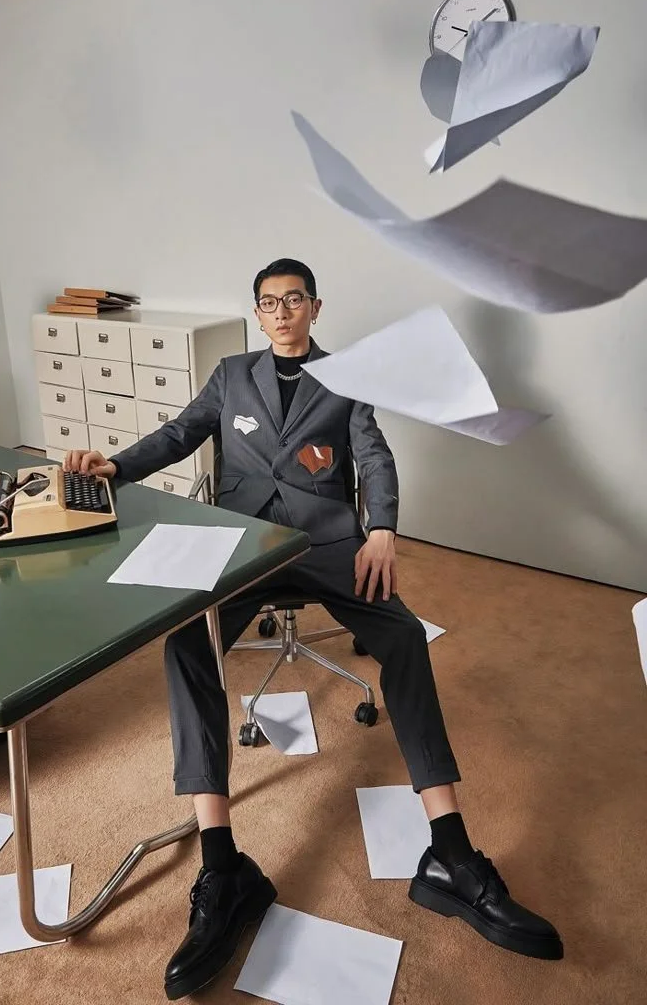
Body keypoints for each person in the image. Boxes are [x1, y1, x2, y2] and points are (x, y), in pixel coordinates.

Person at [65, 258, 563, 999]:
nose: (282, 312)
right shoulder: (232, 375)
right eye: (269, 303)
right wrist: (114, 466)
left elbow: (374, 458)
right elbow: (176, 436)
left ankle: (452, 856)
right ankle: (222, 862)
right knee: (184, 646)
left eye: (294, 300)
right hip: (242, 552)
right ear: (259, 314)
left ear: (315, 307)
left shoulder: (347, 377)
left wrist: (383, 527)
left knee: (401, 637)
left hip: (330, 547)